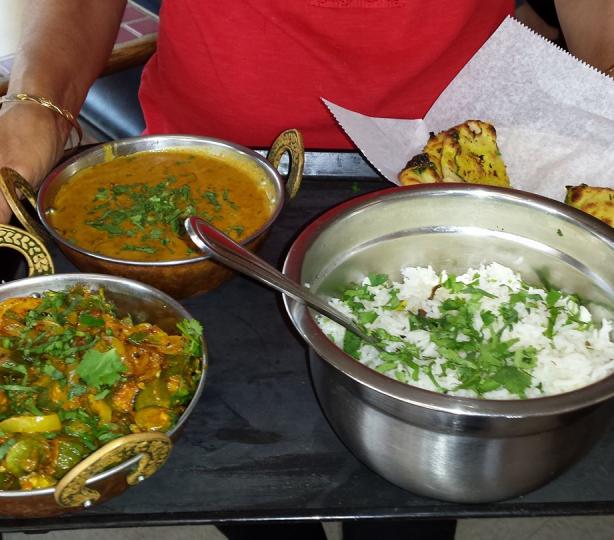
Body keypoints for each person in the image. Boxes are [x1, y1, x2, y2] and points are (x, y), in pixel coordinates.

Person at [0, 0, 611, 537]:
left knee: (424, 471)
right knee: (231, 463)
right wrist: (36, 106)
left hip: (454, 179)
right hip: (195, 188)